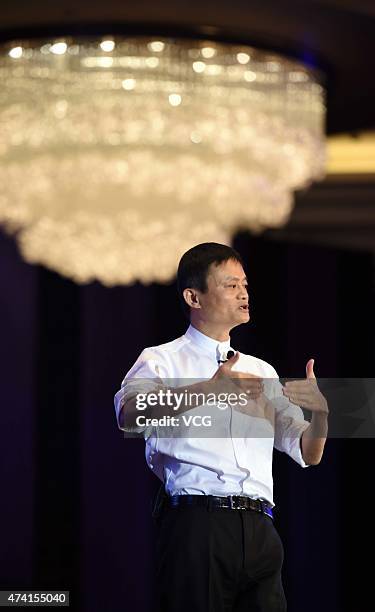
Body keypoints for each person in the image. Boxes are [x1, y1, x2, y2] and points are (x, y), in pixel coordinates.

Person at [114, 242, 328, 612]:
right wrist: (207, 389)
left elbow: (307, 452)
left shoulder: (262, 371)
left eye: (245, 284)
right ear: (193, 297)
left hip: (261, 528)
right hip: (198, 524)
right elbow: (130, 413)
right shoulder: (162, 359)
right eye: (231, 285)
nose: (244, 292)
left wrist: (321, 413)